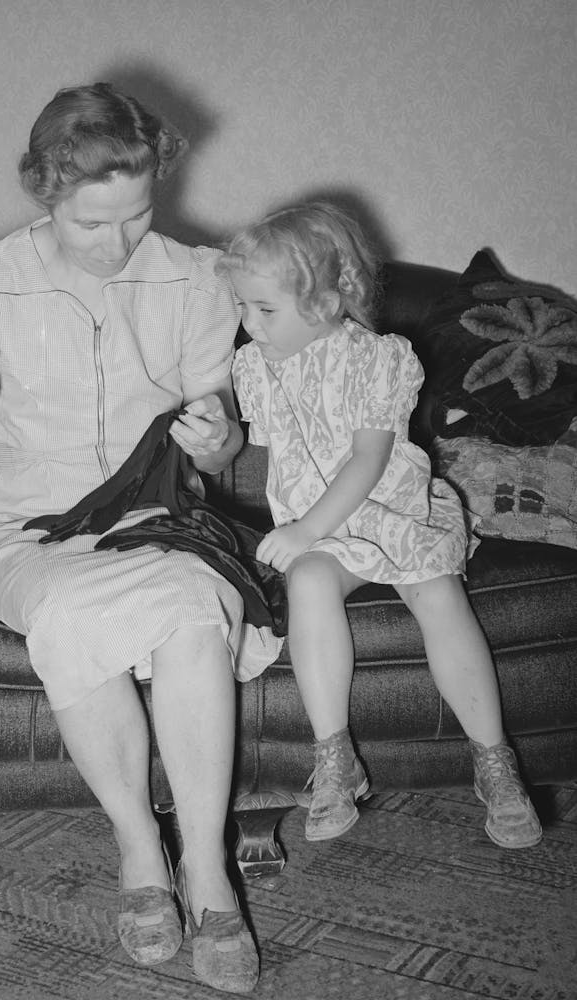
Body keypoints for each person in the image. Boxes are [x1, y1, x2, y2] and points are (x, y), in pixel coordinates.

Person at [0, 82, 279, 994]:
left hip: (155, 522)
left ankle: (204, 866)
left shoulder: (198, 279)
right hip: (28, 533)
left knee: (196, 609)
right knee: (77, 606)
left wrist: (218, 440)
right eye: (92, 225)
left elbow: (222, 430)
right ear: (43, 189)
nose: (119, 246)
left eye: (138, 215)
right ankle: (139, 850)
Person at [218, 199, 542, 850]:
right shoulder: (253, 366)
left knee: (436, 590)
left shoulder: (379, 359)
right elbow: (254, 444)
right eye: (243, 308)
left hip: (389, 510)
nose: (249, 325)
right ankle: (334, 756)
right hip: (322, 531)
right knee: (308, 581)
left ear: (332, 296)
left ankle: (494, 760)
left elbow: (370, 458)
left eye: (265, 309)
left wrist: (307, 528)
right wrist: (213, 428)